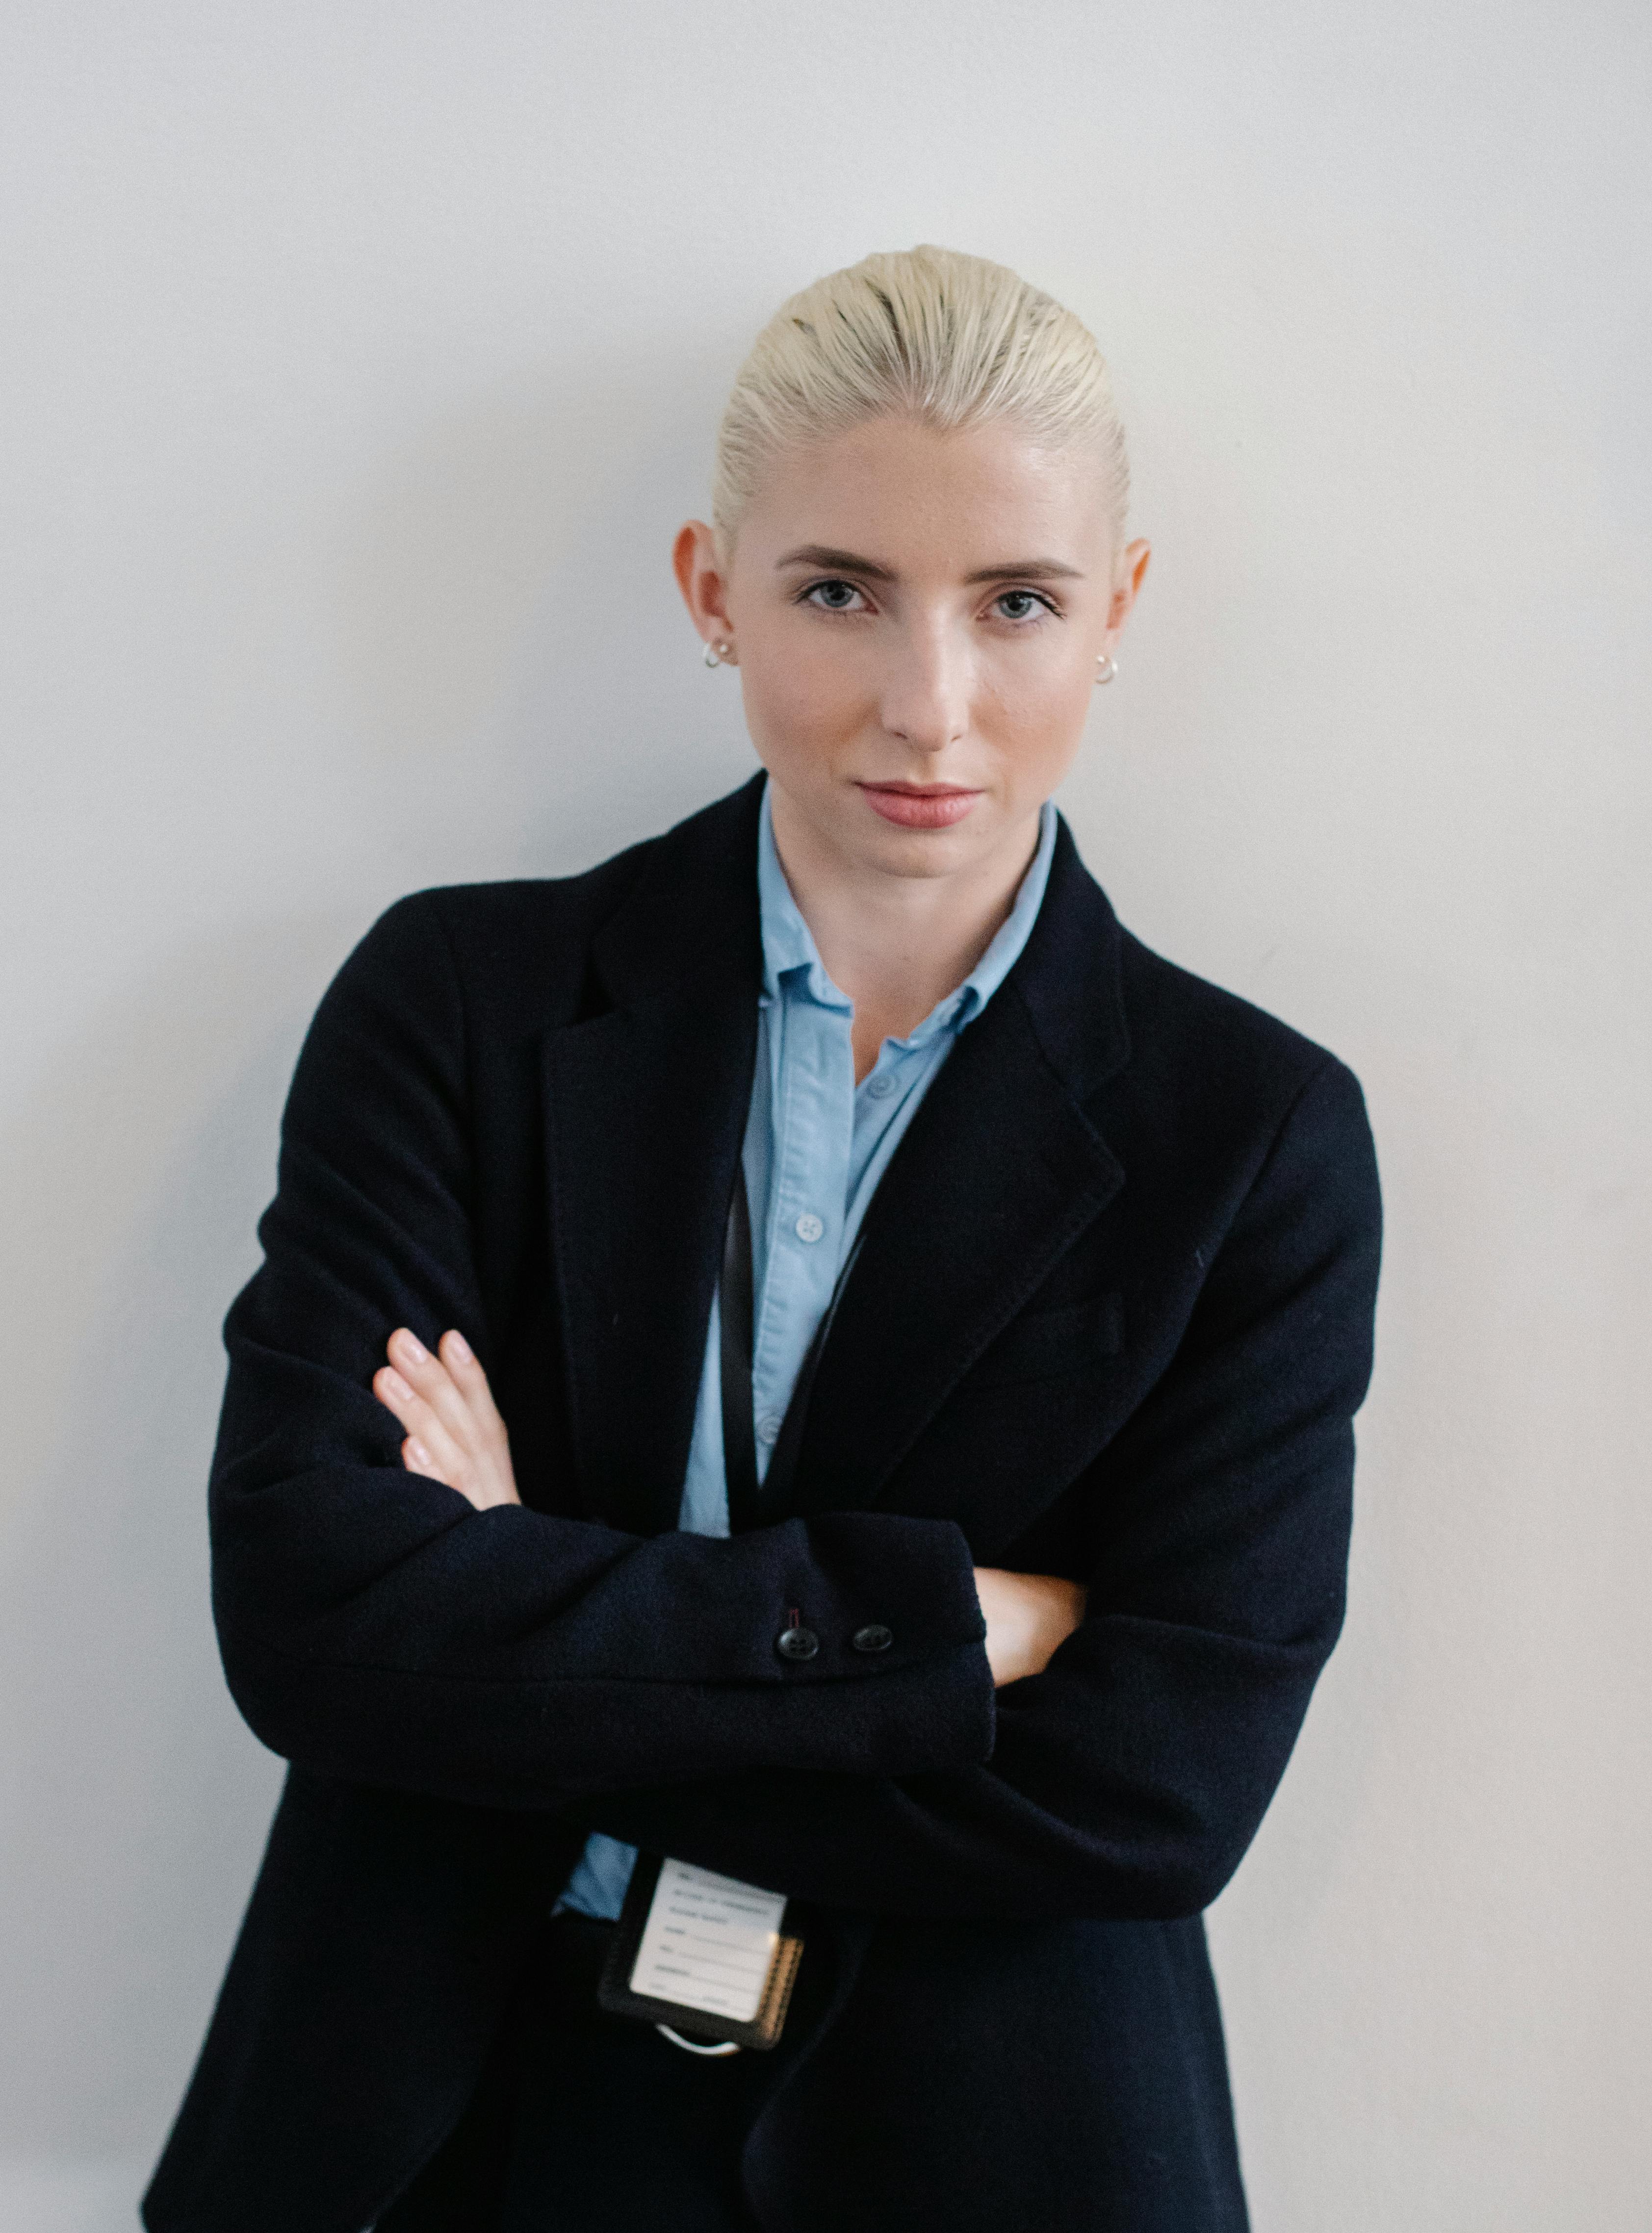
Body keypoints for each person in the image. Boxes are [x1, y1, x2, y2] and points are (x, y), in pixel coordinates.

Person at [144, 246, 1380, 2233]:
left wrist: (524, 1608)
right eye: (836, 592)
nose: (928, 704)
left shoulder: (1249, 1133)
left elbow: (1159, 1784)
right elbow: (313, 1621)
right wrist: (946, 1630)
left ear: (1116, 610)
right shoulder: (459, 1002)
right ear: (711, 591)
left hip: (995, 2143)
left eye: (1015, 603)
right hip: (451, 2117)